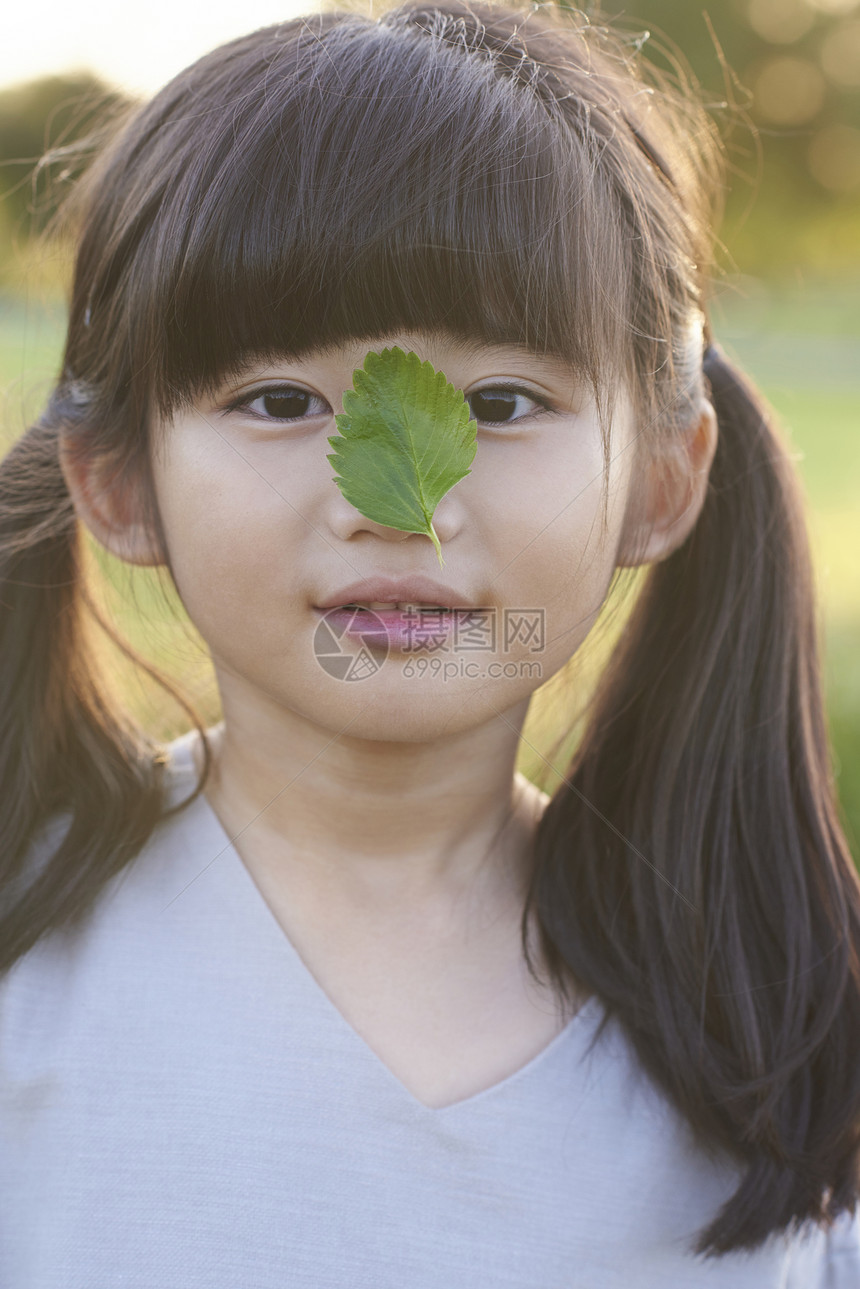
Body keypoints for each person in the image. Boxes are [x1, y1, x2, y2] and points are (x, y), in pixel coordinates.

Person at [0, 1, 858, 1284]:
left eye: (501, 401)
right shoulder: (26, 956)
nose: (396, 501)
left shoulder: (781, 1038)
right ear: (119, 482)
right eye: (279, 401)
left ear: (663, 480)